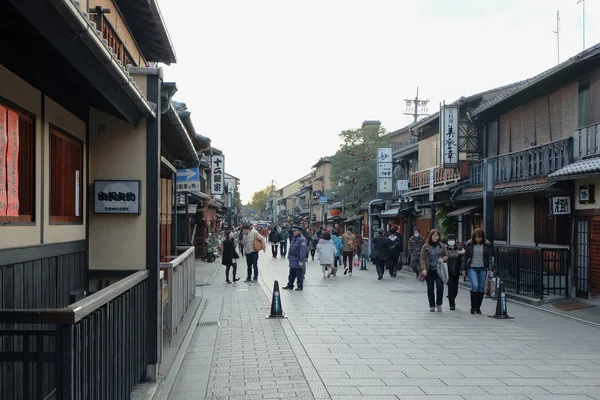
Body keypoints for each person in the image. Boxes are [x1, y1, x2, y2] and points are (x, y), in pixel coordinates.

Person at [461, 228, 494, 315]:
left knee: (481, 288)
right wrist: (463, 269)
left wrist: (491, 269)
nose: (478, 239)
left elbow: (490, 258)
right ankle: (473, 307)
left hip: (482, 268)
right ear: (473, 237)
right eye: (476, 237)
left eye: (480, 237)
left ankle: (478, 307)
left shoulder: (487, 244)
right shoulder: (469, 244)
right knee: (475, 286)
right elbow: (465, 257)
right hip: (472, 267)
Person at [420, 229, 449, 312]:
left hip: (439, 270)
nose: (436, 237)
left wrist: (443, 259)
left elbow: (446, 256)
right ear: (431, 236)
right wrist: (423, 269)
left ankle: (439, 304)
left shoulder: (442, 246)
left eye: (437, 235)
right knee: (430, 288)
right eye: (434, 235)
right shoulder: (425, 246)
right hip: (429, 270)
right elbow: (422, 259)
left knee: (440, 286)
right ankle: (431, 305)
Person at [282, 226, 308, 291]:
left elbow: (302, 251)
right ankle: (290, 285)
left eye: (295, 231)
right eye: (293, 231)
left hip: (298, 259)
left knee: (299, 274)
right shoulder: (294, 238)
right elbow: (291, 248)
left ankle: (300, 286)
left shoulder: (302, 239)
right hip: (293, 259)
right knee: (291, 273)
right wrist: (288, 256)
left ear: (299, 231)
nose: (293, 232)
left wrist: (301, 260)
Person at [445, 233, 464, 310]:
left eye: (452, 240)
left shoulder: (459, 249)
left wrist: (462, 269)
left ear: (455, 240)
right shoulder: (444, 249)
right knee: (450, 287)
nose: (451, 241)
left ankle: (451, 297)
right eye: (449, 240)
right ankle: (452, 304)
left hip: (456, 271)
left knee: (455, 290)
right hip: (448, 271)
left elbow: (463, 259)